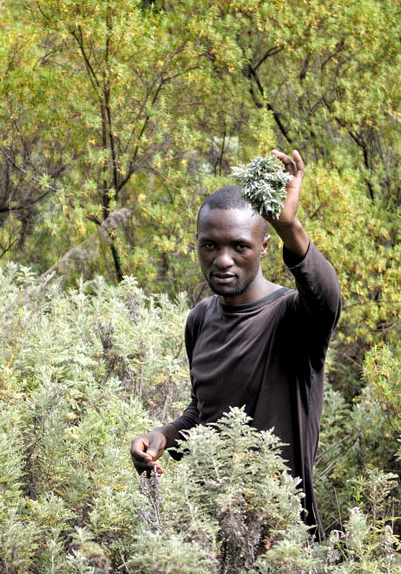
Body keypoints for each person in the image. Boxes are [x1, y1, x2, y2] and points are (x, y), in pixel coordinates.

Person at [129, 149, 341, 539]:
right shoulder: (201, 320)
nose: (223, 260)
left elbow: (326, 297)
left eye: (239, 246)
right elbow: (205, 413)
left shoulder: (292, 318)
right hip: (213, 534)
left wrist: (289, 227)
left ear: (262, 247)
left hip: (285, 540)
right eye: (209, 245)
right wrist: (163, 437)